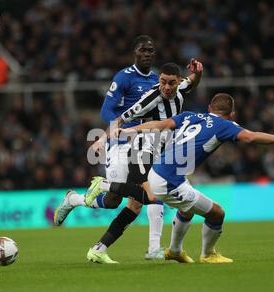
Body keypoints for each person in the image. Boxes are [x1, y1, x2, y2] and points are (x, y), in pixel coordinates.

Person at [86, 93, 274, 263]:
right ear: (232, 114)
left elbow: (159, 125)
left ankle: (174, 251)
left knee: (183, 207)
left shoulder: (190, 115)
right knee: (217, 213)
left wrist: (129, 130)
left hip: (160, 170)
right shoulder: (225, 125)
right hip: (170, 179)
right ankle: (208, 254)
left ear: (210, 108)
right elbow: (250, 137)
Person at [56, 60, 203, 263]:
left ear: (178, 82)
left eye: (172, 83)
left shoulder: (181, 88)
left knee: (126, 204)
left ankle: (97, 245)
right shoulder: (151, 98)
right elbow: (122, 118)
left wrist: (198, 72)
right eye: (163, 82)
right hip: (141, 151)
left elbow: (192, 81)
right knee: (154, 196)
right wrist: (102, 139)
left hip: (160, 153)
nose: (167, 87)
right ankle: (153, 248)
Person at [54, 35, 162, 259]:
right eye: (143, 50)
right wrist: (119, 131)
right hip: (122, 143)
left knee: (141, 199)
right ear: (135, 53)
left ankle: (150, 249)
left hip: (146, 144)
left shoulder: (158, 80)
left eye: (151, 50)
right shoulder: (124, 77)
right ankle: (74, 199)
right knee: (114, 201)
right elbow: (106, 111)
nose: (148, 54)